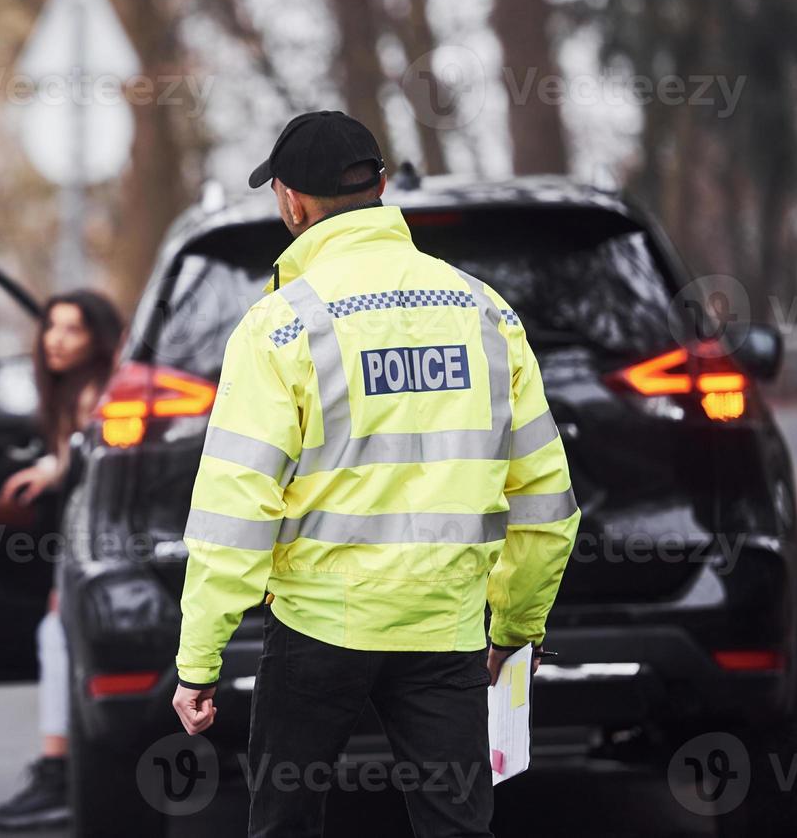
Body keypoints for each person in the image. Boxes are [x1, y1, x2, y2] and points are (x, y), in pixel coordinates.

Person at [170, 111, 580, 837]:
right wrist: (515, 626)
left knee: (285, 824)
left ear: (291, 201)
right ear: (382, 186)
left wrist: (198, 660)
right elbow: (545, 502)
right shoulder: (486, 313)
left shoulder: (280, 324)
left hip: (316, 631)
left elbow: (236, 507)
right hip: (445, 631)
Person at [0, 290, 123, 832]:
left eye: (74, 329)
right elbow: (78, 455)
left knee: (57, 635)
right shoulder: (79, 391)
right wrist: (50, 465)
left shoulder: (102, 390)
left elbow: (95, 484)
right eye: (51, 327)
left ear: (99, 338)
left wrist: (67, 576)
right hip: (95, 541)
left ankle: (58, 770)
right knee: (57, 635)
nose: (56, 340)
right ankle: (61, 767)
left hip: (109, 544)